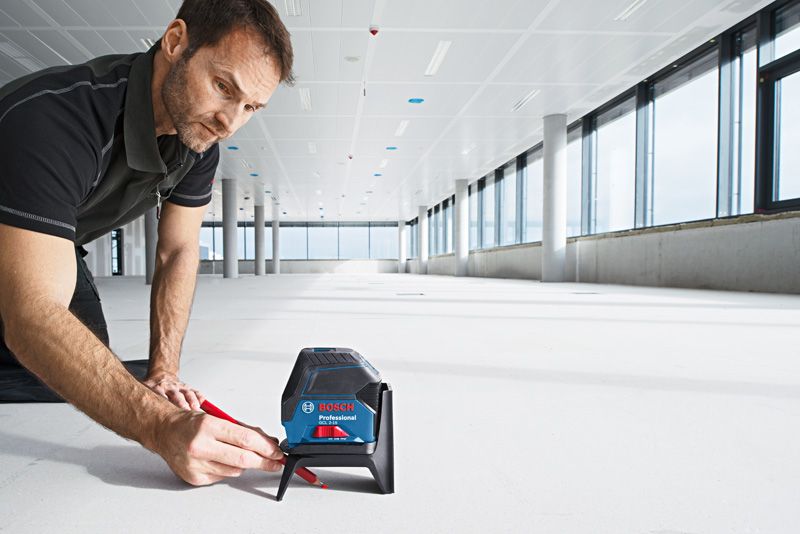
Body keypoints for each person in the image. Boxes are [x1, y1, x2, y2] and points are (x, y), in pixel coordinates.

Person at [0, 0, 294, 486]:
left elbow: (177, 249)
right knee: (47, 350)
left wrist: (164, 373)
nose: (229, 122)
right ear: (175, 42)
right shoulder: (55, 119)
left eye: (251, 108)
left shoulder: (198, 137)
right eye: (223, 87)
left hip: (55, 240)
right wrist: (164, 426)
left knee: (87, 364)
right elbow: (34, 313)